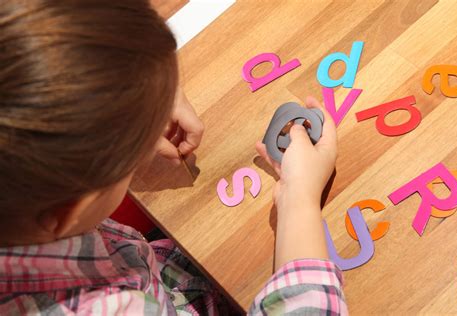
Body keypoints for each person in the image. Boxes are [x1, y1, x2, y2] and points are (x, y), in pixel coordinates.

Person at [0, 0, 347, 314]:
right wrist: (299, 199)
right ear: (72, 208)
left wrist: (145, 94)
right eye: (134, 155)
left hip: (156, 272)